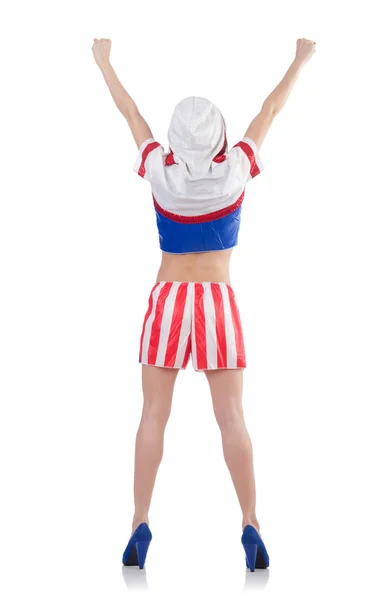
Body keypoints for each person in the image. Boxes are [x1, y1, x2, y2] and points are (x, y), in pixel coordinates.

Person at [92, 36, 316, 571]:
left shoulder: (158, 171)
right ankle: (251, 524)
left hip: (168, 298)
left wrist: (104, 62)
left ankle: (139, 523)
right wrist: (299, 59)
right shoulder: (236, 168)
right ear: (219, 139)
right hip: (218, 301)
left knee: (152, 415)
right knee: (233, 417)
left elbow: (132, 114)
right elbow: (270, 109)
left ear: (174, 140)